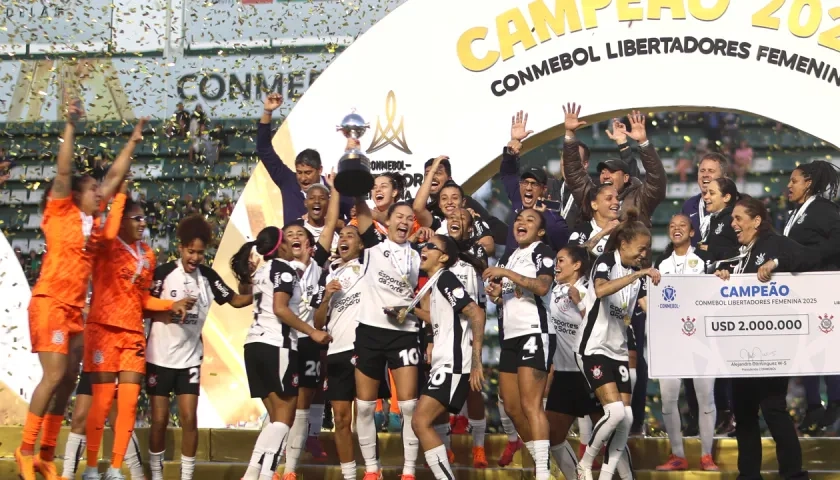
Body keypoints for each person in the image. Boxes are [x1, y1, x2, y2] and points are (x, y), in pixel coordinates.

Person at [16, 103, 144, 480]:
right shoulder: (59, 210)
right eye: (92, 189)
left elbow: (116, 176)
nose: (98, 192)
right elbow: (64, 170)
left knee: (69, 379)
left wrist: (133, 141)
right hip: (50, 303)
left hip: (76, 310)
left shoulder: (94, 221)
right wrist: (70, 125)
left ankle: (47, 454)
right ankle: (24, 450)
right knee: (53, 376)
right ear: (75, 195)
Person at [82, 194, 193, 480]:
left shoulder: (148, 254)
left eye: (144, 218)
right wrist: (120, 191)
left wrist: (171, 304)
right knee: (104, 401)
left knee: (129, 403)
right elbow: (109, 224)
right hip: (104, 329)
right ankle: (92, 467)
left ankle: (116, 469)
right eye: (137, 218)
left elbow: (143, 298)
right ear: (121, 220)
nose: (143, 223)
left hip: (132, 332)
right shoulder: (106, 245)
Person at [713, 196, 820, 480]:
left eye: (738, 218)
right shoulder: (739, 253)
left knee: (773, 409)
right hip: (740, 347)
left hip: (773, 345)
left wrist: (776, 262)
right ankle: (749, 475)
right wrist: (724, 274)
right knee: (744, 413)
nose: (733, 224)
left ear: (756, 220)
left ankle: (793, 475)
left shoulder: (774, 242)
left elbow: (810, 258)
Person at [146, 215, 253, 480]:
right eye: (190, 251)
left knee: (189, 418)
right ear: (180, 248)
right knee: (159, 420)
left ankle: (187, 476)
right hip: (159, 357)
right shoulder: (163, 273)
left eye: (200, 253)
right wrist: (170, 307)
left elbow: (236, 300)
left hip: (190, 359)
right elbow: (143, 304)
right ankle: (156, 475)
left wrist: (263, 290)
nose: (195, 257)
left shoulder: (207, 277)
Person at [230, 226, 332, 480]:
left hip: (254, 346)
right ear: (280, 246)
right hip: (277, 346)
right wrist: (313, 332)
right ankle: (264, 475)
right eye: (287, 239)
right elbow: (281, 309)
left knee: (276, 420)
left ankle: (254, 472)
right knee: (285, 420)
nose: (292, 242)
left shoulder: (262, 271)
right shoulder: (283, 270)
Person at [575, 208, 661, 480]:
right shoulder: (605, 261)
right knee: (613, 413)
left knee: (627, 418)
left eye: (647, 249)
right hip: (593, 347)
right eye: (641, 248)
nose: (644, 254)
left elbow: (650, 308)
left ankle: (607, 475)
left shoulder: (639, 272)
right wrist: (638, 275)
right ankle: (585, 464)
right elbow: (600, 289)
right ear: (624, 244)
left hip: (619, 351)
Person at [352, 198, 424, 480]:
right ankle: (372, 470)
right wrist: (354, 178)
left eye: (409, 218)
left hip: (404, 333)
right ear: (388, 220)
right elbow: (361, 211)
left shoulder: (419, 254)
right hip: (370, 332)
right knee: (365, 406)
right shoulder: (372, 247)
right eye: (399, 217)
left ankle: (408, 472)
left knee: (409, 406)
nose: (404, 222)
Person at [313, 222, 391, 480]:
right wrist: (326, 296)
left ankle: (372, 471)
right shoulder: (329, 275)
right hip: (336, 351)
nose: (344, 239)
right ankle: (349, 475)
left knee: (365, 413)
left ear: (360, 244)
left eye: (350, 236)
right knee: (341, 417)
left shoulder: (369, 267)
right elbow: (317, 322)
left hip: (364, 349)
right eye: (341, 236)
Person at [482, 208, 555, 480]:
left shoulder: (541, 251)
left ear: (541, 231)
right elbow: (515, 297)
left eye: (530, 220)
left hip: (534, 332)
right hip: (511, 335)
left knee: (530, 405)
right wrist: (499, 297)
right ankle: (542, 461)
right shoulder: (512, 255)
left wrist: (507, 274)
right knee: (511, 406)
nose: (521, 223)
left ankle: (542, 473)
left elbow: (543, 287)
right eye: (519, 219)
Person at [410, 235, 486, 480]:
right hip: (444, 363)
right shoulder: (436, 283)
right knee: (420, 422)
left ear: (443, 257)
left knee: (420, 422)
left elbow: (476, 312)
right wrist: (409, 310)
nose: (424, 248)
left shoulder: (445, 278)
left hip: (453, 364)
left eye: (430, 246)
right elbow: (441, 320)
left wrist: (476, 363)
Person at [280, 179, 342, 478]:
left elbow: (330, 224)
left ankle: (292, 463)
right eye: (289, 234)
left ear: (308, 244)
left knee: (308, 396)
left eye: (299, 235)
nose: (294, 237)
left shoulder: (317, 265)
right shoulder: (278, 268)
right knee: (284, 401)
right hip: (281, 341)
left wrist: (337, 188)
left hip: (308, 338)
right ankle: (277, 454)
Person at [653, 214, 719, 472]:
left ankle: (706, 455)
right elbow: (651, 298)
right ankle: (677, 454)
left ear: (692, 232)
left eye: (682, 225)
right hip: (671, 341)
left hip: (701, 339)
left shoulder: (704, 261)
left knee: (706, 399)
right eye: (671, 225)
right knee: (668, 400)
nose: (676, 228)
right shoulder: (661, 262)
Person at [782, 160, 840, 434]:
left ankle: (835, 402)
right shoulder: (797, 212)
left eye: (794, 181)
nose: (788, 186)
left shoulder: (823, 209)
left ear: (809, 183)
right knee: (806, 350)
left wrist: (808, 256)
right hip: (802, 293)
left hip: (824, 290)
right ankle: (814, 405)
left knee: (826, 346)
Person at [544, 245, 601, 480]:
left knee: (611, 434)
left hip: (589, 374)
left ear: (576, 265)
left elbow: (598, 327)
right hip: (564, 375)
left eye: (560, 261)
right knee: (553, 437)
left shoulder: (589, 290)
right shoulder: (552, 290)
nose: (555, 266)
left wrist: (579, 303)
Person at [562, 105, 667, 227]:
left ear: (626, 178)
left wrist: (643, 143)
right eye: (602, 172)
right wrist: (570, 134)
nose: (605, 176)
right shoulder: (591, 197)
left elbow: (657, 180)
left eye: (612, 171)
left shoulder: (639, 200)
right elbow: (574, 173)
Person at [258, 93, 352, 221]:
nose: (302, 178)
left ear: (319, 170)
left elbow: (354, 219)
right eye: (299, 172)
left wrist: (335, 223)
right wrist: (267, 112)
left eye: (308, 172)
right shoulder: (288, 181)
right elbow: (264, 149)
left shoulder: (335, 188)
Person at [500, 111, 570, 252]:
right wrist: (512, 148)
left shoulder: (551, 213)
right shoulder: (518, 198)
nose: (528, 188)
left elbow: (562, 239)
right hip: (511, 265)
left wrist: (543, 216)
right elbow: (508, 174)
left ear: (544, 189)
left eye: (534, 184)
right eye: (525, 183)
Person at [422, 156, 507, 245]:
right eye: (428, 174)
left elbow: (492, 226)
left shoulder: (463, 203)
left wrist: (514, 239)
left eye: (438, 173)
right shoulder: (416, 204)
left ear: (449, 178)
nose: (432, 177)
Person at [681, 153, 729, 245]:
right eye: (702, 171)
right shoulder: (689, 205)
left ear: (724, 177)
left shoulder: (736, 205)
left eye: (711, 171)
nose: (705, 175)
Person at [569, 185, 621, 259]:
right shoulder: (584, 229)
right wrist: (603, 232)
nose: (616, 202)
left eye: (617, 198)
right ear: (594, 205)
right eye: (609, 198)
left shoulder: (625, 230)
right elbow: (571, 257)